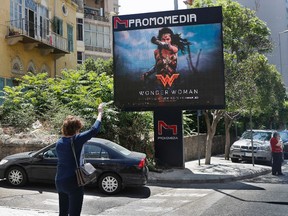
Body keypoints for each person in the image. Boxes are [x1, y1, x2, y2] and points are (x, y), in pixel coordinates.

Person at [55, 103, 104, 216]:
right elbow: (94, 129)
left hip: (59, 181)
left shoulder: (59, 142)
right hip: (73, 181)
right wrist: (100, 112)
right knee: (74, 213)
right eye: (79, 129)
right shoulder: (76, 140)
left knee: (63, 213)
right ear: (76, 129)